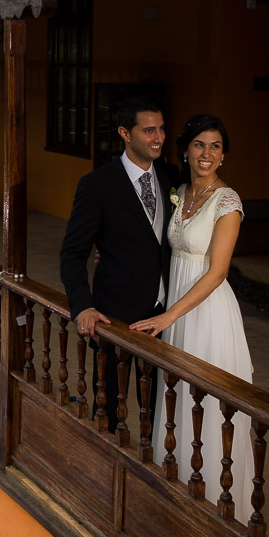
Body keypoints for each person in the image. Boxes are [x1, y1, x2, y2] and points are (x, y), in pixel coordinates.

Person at [130, 114, 254, 523]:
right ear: (185, 150)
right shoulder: (178, 191)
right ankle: (180, 484)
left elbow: (217, 272)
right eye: (200, 144)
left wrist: (168, 317)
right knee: (177, 394)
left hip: (206, 311)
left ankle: (221, 501)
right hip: (177, 308)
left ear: (224, 155)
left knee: (209, 400)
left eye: (215, 146)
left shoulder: (228, 202)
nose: (207, 153)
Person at [59, 97, 174, 432]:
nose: (159, 137)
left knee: (159, 410)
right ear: (125, 133)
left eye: (162, 128)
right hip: (115, 316)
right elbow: (72, 253)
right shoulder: (97, 185)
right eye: (149, 130)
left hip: (164, 313)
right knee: (108, 407)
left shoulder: (170, 179)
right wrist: (83, 306)